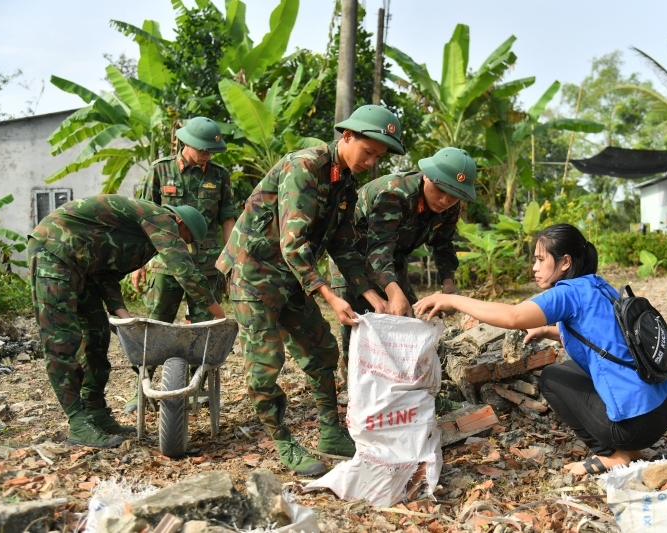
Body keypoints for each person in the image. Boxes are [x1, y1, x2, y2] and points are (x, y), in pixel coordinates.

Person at [216, 105, 405, 476]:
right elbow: (294, 243)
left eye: (379, 157)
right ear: (347, 136)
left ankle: (330, 432)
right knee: (265, 362)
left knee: (321, 347)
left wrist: (371, 295)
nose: (371, 161)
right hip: (253, 273)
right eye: (368, 151)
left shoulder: (346, 181)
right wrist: (331, 296)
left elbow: (343, 244)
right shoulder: (305, 167)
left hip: (290, 276)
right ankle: (283, 439)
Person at [413, 223, 667, 476]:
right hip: (663, 408)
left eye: (541, 260)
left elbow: (513, 316)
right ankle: (633, 449)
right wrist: (547, 331)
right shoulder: (596, 284)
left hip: (636, 427)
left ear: (565, 262)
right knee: (572, 368)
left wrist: (451, 299)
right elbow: (603, 339)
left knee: (551, 378)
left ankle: (612, 454)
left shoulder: (566, 294)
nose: (534, 268)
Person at [28, 195, 225, 449]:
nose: (181, 244)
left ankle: (95, 411)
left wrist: (124, 316)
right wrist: (219, 315)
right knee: (61, 339)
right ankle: (78, 422)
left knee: (97, 334)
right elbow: (184, 271)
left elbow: (106, 273)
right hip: (54, 250)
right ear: (179, 222)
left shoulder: (144, 240)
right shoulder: (160, 218)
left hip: (84, 265)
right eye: (184, 238)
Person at [330, 146, 476, 382]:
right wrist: (392, 290)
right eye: (440, 190)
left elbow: (443, 244)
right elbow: (378, 247)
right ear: (427, 175)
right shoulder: (395, 193)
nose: (445, 200)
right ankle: (355, 390)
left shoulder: (449, 205)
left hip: (392, 257)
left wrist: (448, 283)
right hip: (351, 256)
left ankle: (399, 383)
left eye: (454, 195)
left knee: (406, 320)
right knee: (358, 328)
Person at [124, 116, 239, 414]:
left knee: (204, 329)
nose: (206, 155)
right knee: (153, 324)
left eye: (211, 151)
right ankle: (142, 390)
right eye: (202, 149)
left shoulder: (220, 175)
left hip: (207, 264)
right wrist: (138, 262)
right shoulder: (160, 170)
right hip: (164, 263)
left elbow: (227, 217)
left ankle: (196, 389)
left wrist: (230, 259)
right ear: (185, 142)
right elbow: (143, 217)